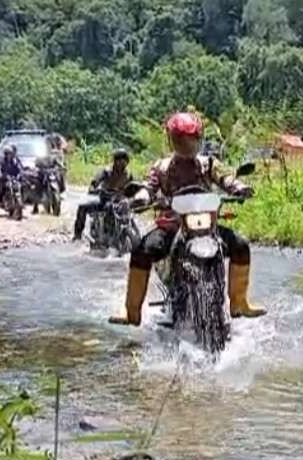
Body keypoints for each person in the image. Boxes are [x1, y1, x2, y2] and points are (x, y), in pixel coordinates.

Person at [109, 112, 265, 326]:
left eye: (190, 138)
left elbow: (226, 178)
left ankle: (239, 302)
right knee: (141, 250)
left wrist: (239, 188)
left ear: (199, 138)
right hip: (173, 225)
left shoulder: (208, 163)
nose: (186, 144)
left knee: (241, 244)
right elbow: (149, 187)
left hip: (206, 224)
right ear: (171, 140)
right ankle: (131, 311)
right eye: (180, 139)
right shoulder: (161, 167)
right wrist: (140, 199)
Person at [73, 148, 135, 241]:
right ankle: (78, 234)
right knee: (82, 206)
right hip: (104, 198)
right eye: (119, 160)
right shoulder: (106, 171)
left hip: (119, 201)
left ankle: (119, 234)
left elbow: (133, 187)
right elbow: (94, 183)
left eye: (123, 161)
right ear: (115, 161)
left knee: (126, 213)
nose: (121, 163)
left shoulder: (129, 175)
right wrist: (93, 190)